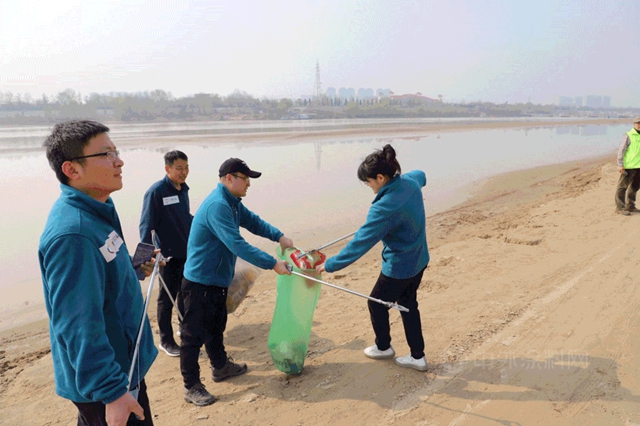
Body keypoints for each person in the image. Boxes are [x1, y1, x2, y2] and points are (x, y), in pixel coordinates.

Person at [39, 120, 158, 425]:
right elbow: (78, 325)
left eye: (116, 151)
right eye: (105, 154)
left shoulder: (99, 207)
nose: (119, 161)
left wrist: (133, 271)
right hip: (109, 382)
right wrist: (113, 393)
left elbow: (100, 279)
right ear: (72, 170)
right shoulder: (73, 235)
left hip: (123, 364)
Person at [180, 157, 294, 406]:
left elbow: (253, 222)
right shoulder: (218, 205)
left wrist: (279, 236)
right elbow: (237, 244)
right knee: (192, 335)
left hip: (219, 278)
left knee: (216, 325)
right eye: (245, 179)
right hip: (200, 281)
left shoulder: (233, 203)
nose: (249, 184)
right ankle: (191, 386)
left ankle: (220, 367)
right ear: (229, 178)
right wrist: (272, 263)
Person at [316, 144, 430, 372]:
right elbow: (422, 175)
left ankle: (384, 347)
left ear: (380, 177)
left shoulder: (384, 208)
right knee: (408, 304)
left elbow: (360, 243)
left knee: (376, 303)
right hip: (420, 258)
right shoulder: (410, 182)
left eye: (368, 181)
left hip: (400, 266)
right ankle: (417, 356)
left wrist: (330, 265)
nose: (368, 186)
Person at [139, 150, 192, 357]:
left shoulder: (183, 189)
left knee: (185, 292)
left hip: (186, 251)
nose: (184, 172)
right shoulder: (156, 192)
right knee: (166, 298)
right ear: (167, 169)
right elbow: (146, 226)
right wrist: (145, 259)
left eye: (186, 168)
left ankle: (184, 328)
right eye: (179, 168)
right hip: (167, 257)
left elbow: (184, 217)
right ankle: (166, 340)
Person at [615, 116, 640, 215]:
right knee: (622, 187)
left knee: (635, 187)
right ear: (634, 124)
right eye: (638, 123)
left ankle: (630, 206)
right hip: (629, 167)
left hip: (639, 167)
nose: (639, 125)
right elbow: (621, 151)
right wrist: (620, 165)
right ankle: (620, 207)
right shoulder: (628, 135)